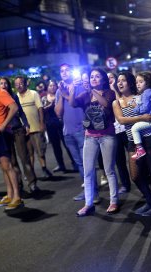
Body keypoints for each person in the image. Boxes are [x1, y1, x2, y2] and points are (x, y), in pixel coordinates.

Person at [69, 68, 120, 216]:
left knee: (109, 170)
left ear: (103, 79)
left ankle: (114, 201)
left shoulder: (109, 93)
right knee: (88, 171)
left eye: (97, 77)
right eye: (92, 77)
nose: (94, 79)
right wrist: (72, 90)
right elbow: (72, 103)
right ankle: (88, 204)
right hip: (90, 136)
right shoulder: (85, 95)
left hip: (107, 136)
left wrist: (93, 90)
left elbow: (105, 104)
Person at [114, 71, 151, 216]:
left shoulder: (141, 96)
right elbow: (121, 120)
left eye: (123, 80)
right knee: (136, 176)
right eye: (118, 81)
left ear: (130, 82)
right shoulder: (116, 102)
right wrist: (142, 116)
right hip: (132, 141)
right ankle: (150, 201)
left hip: (148, 138)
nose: (120, 83)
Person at [55, 64, 98, 202]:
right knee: (79, 163)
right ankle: (87, 192)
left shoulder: (79, 86)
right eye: (62, 71)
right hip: (67, 132)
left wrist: (66, 94)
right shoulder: (58, 92)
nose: (64, 72)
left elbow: (76, 103)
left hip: (82, 129)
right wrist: (61, 95)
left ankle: (94, 193)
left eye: (67, 70)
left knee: (87, 163)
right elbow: (58, 113)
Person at [0, 77, 39, 195]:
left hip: (17, 130)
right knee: (12, 161)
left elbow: (20, 111)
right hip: (5, 132)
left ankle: (32, 183)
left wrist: (26, 124)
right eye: (1, 83)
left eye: (5, 83)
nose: (4, 85)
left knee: (24, 157)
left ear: (9, 85)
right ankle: (19, 185)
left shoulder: (13, 96)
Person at [15, 76, 52, 179]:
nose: (19, 85)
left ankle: (44, 169)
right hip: (24, 130)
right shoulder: (16, 97)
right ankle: (31, 173)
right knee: (28, 153)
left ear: (26, 83)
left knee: (40, 151)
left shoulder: (33, 93)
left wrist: (41, 123)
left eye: (21, 83)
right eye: (16, 84)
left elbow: (40, 108)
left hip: (36, 128)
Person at [0, 75, 23, 210]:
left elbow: (14, 107)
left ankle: (17, 197)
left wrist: (4, 125)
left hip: (1, 133)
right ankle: (10, 194)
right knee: (3, 167)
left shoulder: (0, 92)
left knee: (8, 165)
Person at [108, 72, 131, 193]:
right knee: (119, 160)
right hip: (114, 131)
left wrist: (115, 89)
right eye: (107, 79)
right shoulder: (105, 94)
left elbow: (120, 104)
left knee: (134, 157)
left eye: (112, 78)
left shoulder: (122, 93)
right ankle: (126, 184)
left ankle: (145, 180)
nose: (109, 80)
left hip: (126, 129)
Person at [131, 72, 151, 160]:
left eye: (140, 82)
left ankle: (139, 149)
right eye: (136, 82)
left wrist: (135, 106)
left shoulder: (146, 93)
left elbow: (144, 109)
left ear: (147, 83)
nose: (138, 84)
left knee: (134, 128)